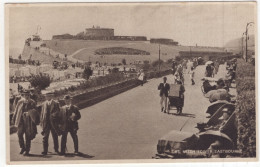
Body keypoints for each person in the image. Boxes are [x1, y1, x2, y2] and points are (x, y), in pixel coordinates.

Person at [11, 90, 37, 156]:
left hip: (29, 121)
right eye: (25, 95)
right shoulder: (20, 102)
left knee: (28, 136)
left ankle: (27, 150)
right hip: (20, 120)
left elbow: (35, 111)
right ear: (23, 95)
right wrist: (13, 118)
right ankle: (22, 147)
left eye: (28, 95)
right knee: (19, 134)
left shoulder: (32, 102)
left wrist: (29, 112)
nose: (26, 96)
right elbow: (16, 110)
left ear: (29, 95)